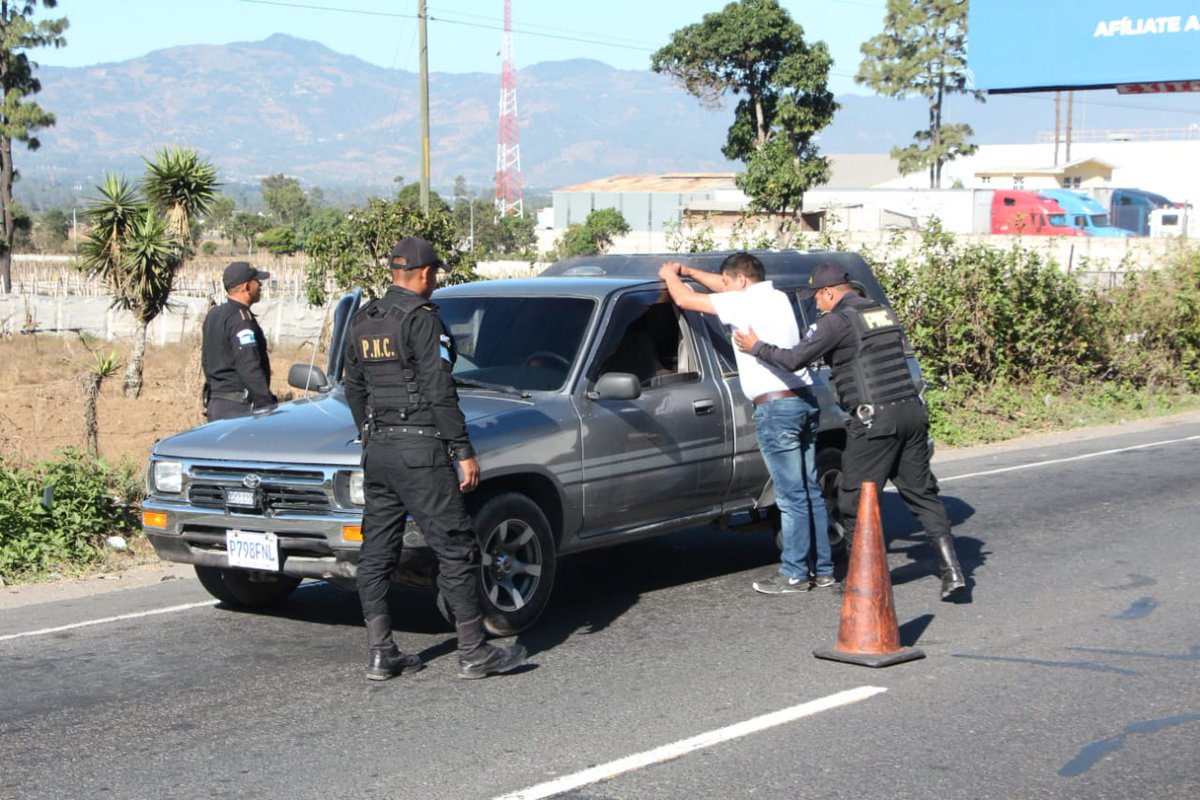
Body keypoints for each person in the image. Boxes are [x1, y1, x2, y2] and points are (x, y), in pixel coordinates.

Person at [343, 236, 528, 681]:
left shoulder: (363, 320)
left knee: (376, 552)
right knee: (457, 548)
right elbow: (440, 391)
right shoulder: (422, 321)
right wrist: (462, 450)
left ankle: (381, 652)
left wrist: (367, 434)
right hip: (421, 451)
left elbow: (353, 387)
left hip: (379, 450)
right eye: (435, 274)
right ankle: (473, 652)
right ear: (425, 275)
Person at [733, 263, 967, 600]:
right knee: (922, 495)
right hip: (911, 414)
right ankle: (953, 571)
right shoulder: (880, 312)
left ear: (828, 292)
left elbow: (793, 359)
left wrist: (756, 346)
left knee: (851, 500)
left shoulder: (836, 321)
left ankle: (863, 578)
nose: (815, 305)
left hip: (875, 422)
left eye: (816, 298)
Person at [658, 253, 833, 594]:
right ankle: (823, 568)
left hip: (775, 409)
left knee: (790, 494)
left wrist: (670, 274)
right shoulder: (777, 298)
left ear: (740, 282)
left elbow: (684, 299)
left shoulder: (742, 304)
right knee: (810, 489)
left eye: (728, 282)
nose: (724, 287)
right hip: (803, 401)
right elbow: (720, 286)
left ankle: (795, 573)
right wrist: (691, 270)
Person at [201, 261, 276, 421]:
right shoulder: (240, 320)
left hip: (216, 403)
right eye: (257, 281)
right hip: (238, 408)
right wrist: (266, 404)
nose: (261, 285)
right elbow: (249, 365)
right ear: (247, 287)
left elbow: (206, 361)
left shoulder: (214, 315)